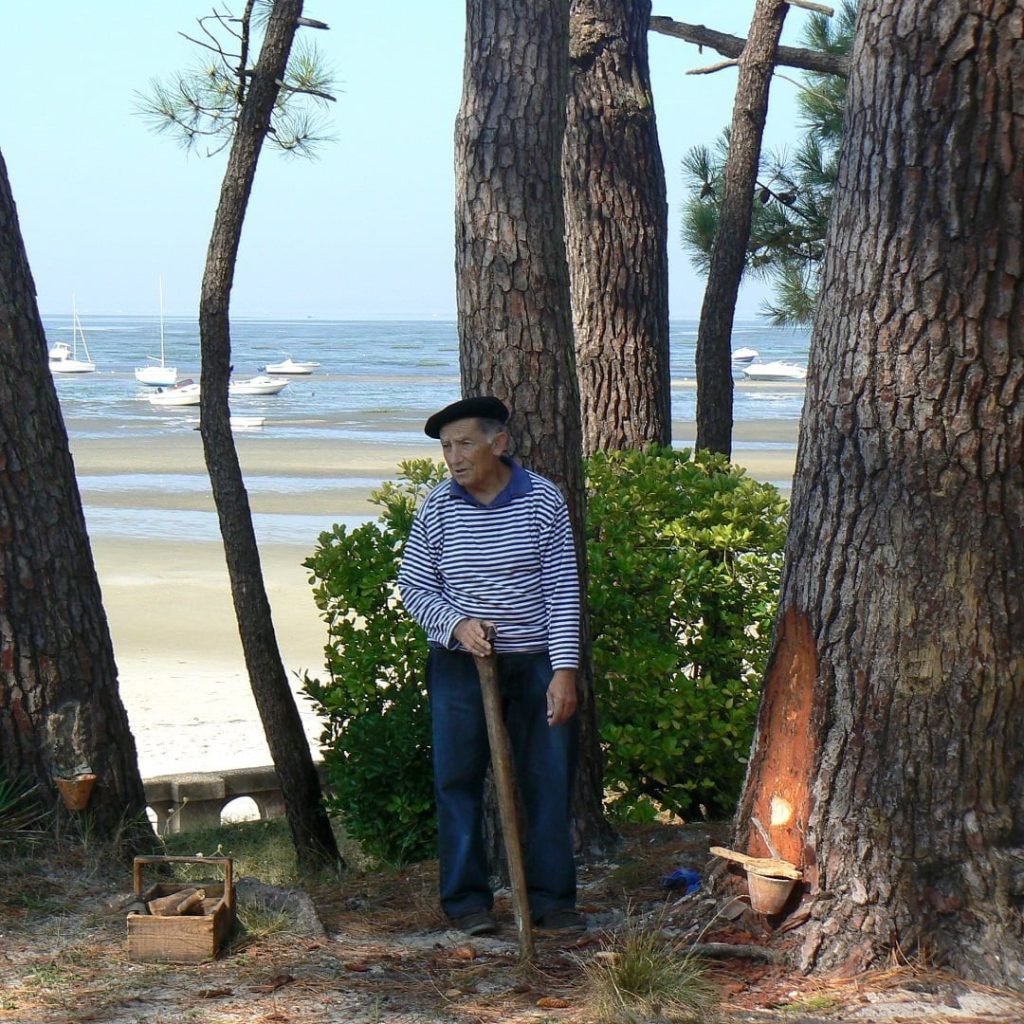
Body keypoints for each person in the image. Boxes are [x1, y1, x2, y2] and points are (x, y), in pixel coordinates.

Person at [397, 395, 585, 937]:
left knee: (547, 781)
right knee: (456, 780)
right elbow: (414, 584)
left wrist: (565, 672)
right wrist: (457, 623)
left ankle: (552, 902)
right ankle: (467, 905)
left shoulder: (543, 500)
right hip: (461, 666)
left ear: (499, 444)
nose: (453, 457)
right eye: (446, 447)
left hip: (535, 662)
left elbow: (563, 591)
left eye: (464, 444)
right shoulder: (438, 507)